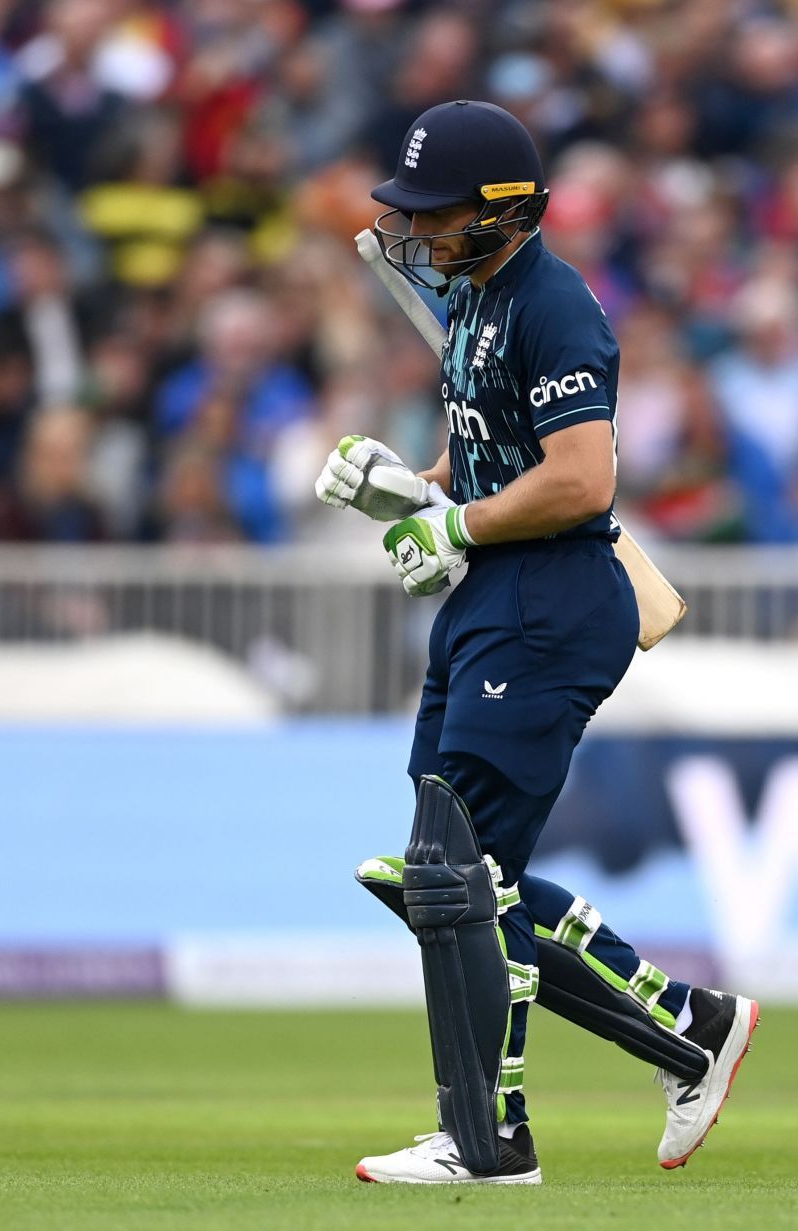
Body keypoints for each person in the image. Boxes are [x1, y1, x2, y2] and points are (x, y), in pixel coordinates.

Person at [311, 100, 759, 1186]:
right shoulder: (473, 306)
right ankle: (689, 1027)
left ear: (504, 210)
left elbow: (581, 481)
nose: (419, 231)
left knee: (455, 876)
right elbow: (488, 467)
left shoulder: (554, 307)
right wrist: (408, 491)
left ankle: (489, 1138)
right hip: (492, 601)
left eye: (439, 211)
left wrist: (455, 524)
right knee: (457, 875)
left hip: (551, 607)